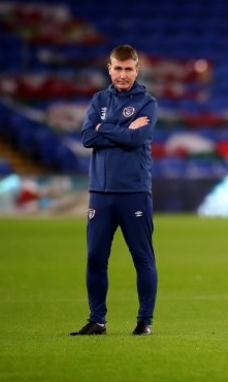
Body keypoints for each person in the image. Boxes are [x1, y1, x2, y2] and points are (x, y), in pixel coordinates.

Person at [71, 44, 158, 336]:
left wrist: (103, 128)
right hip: (100, 192)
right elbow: (85, 137)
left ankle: (144, 322)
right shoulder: (99, 99)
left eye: (128, 69)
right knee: (95, 257)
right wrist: (123, 128)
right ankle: (97, 321)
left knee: (142, 258)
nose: (123, 74)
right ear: (109, 68)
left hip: (134, 192)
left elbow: (136, 140)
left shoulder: (148, 103)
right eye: (117, 68)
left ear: (137, 70)